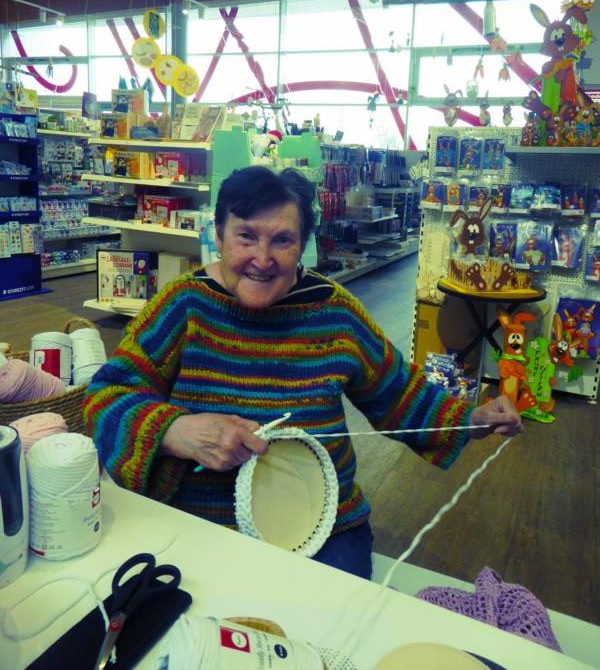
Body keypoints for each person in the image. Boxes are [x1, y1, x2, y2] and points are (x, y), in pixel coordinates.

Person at [84, 165, 522, 579]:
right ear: (218, 236)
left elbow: (397, 392)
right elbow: (105, 400)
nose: (262, 259)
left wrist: (469, 418)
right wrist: (176, 430)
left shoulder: (334, 311)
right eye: (245, 236)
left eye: (282, 241)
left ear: (303, 246)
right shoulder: (183, 304)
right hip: (197, 521)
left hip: (323, 525)